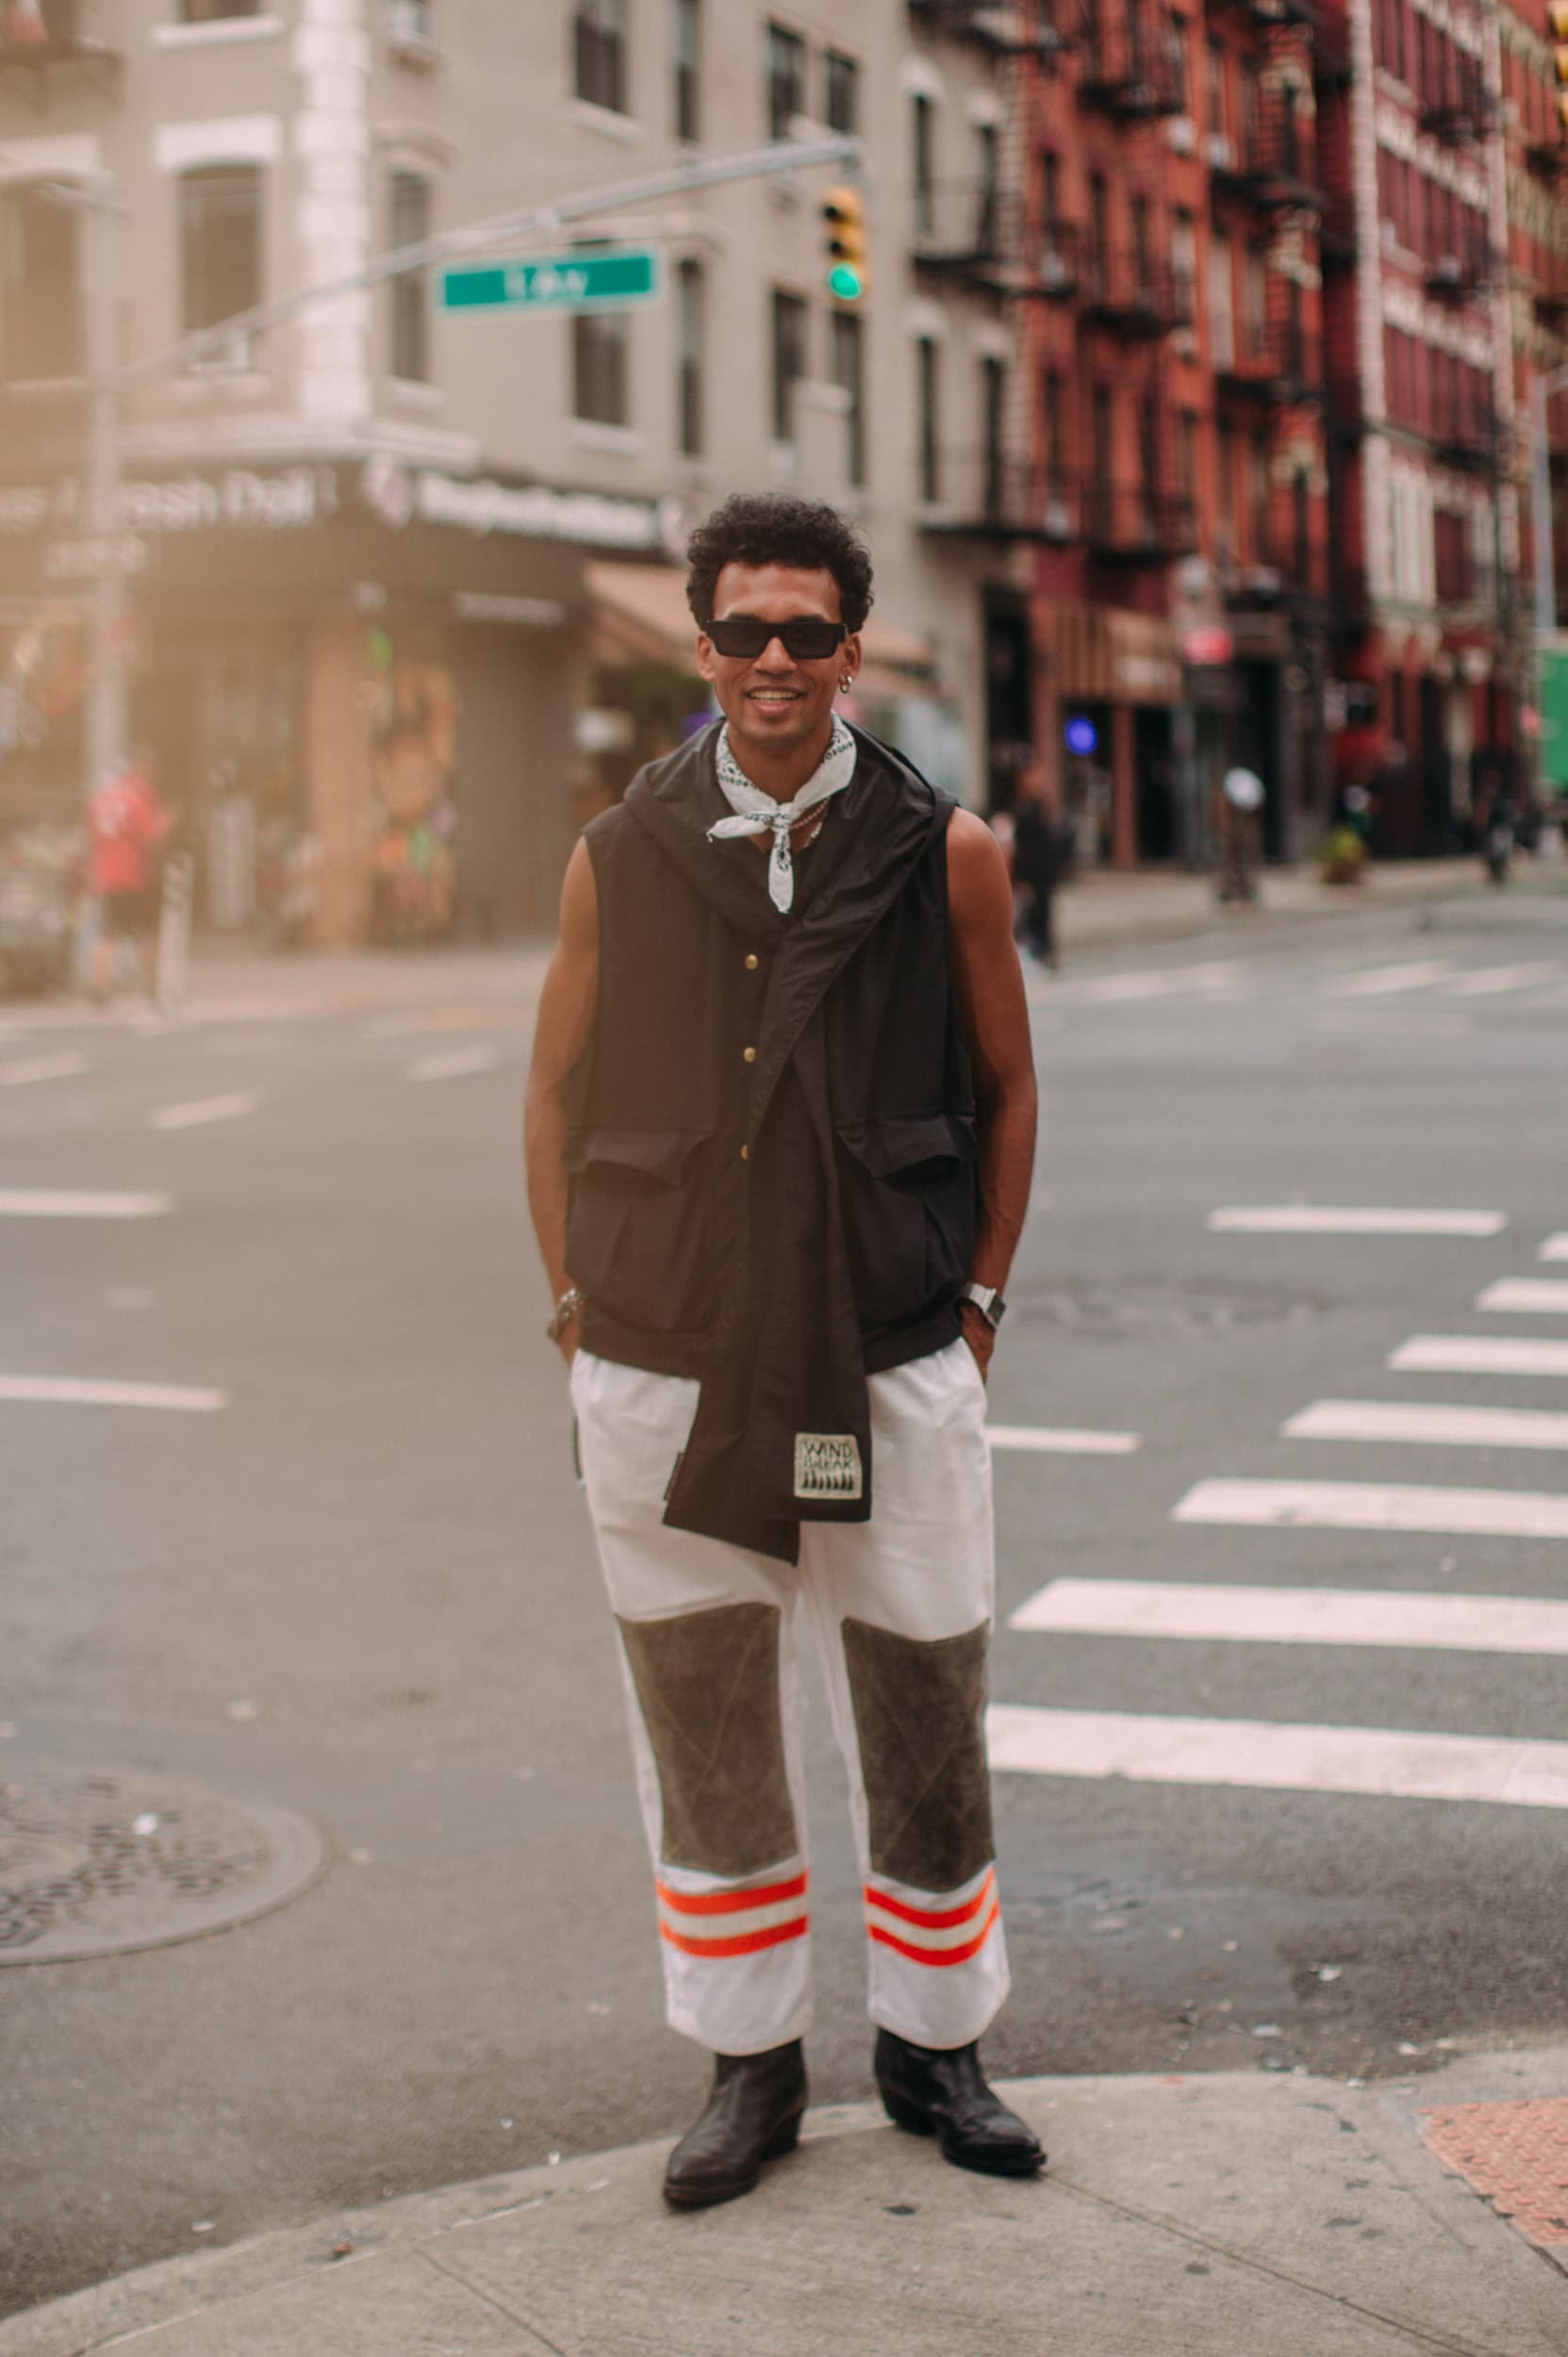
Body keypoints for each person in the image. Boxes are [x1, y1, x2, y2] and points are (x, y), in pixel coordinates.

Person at [525, 493, 1043, 2210]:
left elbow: (1007, 1086)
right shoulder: (619, 851)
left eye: (803, 632)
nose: (771, 658)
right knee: (702, 1717)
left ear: (848, 651)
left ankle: (933, 2045)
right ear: (701, 647)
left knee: (922, 1698)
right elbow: (551, 1093)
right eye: (741, 630)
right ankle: (746, 2066)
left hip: (886, 1347)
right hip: (665, 1359)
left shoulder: (944, 850)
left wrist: (974, 1310)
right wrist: (575, 1316)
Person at [88, 751, 173, 1001]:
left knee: (107, 933)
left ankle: (100, 986)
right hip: (133, 874)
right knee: (145, 930)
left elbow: (92, 836)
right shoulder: (135, 801)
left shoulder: (100, 800)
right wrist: (165, 824)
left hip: (106, 874)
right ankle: (152, 984)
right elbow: (151, 838)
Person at [1011, 766, 1066, 968]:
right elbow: (1021, 848)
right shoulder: (1023, 811)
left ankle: (1045, 954)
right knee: (1032, 917)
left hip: (1045, 875)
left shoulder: (1042, 809)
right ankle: (1036, 954)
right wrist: (1021, 879)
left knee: (1045, 915)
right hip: (1032, 875)